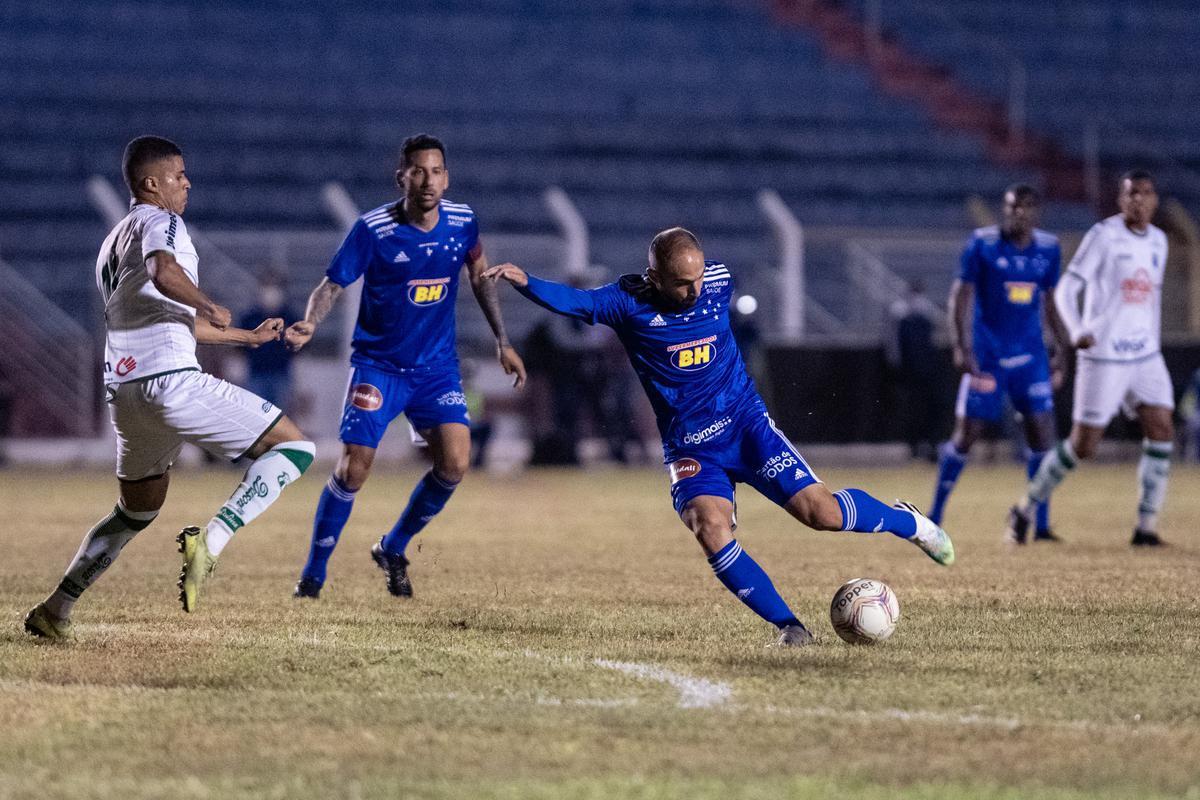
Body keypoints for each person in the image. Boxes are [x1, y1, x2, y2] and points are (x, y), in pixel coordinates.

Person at [485, 227, 955, 647]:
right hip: (690, 447)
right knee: (709, 527)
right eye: (681, 283)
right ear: (654, 279)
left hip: (746, 426)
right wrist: (525, 283)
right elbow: (577, 301)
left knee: (822, 514)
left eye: (698, 277)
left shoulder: (717, 282)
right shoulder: (627, 302)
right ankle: (790, 627)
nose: (694, 289)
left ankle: (910, 524)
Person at [24, 136, 315, 640]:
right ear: (151, 183)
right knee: (296, 447)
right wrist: (210, 303)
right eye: (179, 175)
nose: (187, 183)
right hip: (171, 384)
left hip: (126, 393)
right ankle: (211, 541)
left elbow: (165, 313)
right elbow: (166, 275)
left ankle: (56, 608)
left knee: (136, 509)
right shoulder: (163, 223)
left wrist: (244, 336)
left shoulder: (113, 241)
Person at [285, 134, 526, 599]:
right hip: (378, 367)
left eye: (436, 171)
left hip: (436, 369)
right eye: (417, 171)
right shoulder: (372, 229)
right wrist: (310, 323)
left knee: (456, 462)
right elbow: (331, 285)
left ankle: (392, 547)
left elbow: (479, 275)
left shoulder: (463, 222)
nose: (427, 180)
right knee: (354, 469)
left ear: (446, 177)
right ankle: (312, 576)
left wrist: (503, 340)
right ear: (401, 177)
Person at [1007, 171, 1174, 546]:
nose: (1139, 201)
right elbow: (1068, 288)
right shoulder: (1104, 236)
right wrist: (1077, 330)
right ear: (1120, 200)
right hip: (1105, 356)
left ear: (1155, 200)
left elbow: (1150, 300)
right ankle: (1025, 509)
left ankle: (1145, 528)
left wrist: (1152, 341)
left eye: (1147, 194)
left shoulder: (1160, 241)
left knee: (1162, 428)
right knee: (1084, 445)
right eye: (1132, 194)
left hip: (1145, 355)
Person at [928, 185, 1069, 540]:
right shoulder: (983, 244)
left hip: (1031, 360)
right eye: (1011, 207)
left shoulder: (1049, 249)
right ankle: (934, 515)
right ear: (1004, 210)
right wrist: (961, 347)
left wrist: (1062, 352)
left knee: (1042, 436)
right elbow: (960, 296)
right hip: (988, 360)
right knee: (966, 435)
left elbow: (1051, 303)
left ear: (1037, 212)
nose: (1018, 213)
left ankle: (1041, 524)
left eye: (1026, 207)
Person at [889, 280, 942, 461]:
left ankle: (931, 445)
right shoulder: (900, 314)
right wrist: (897, 365)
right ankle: (914, 446)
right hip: (909, 372)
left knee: (930, 409)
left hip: (926, 370)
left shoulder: (926, 312)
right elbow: (895, 345)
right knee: (912, 409)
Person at [239, 272, 297, 409]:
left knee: (280, 418)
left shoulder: (290, 317)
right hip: (255, 374)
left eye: (274, 286)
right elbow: (239, 345)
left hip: (282, 375)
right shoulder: (250, 318)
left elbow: (300, 345)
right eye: (267, 285)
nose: (271, 291)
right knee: (255, 414)